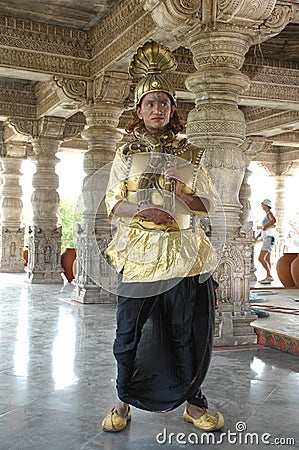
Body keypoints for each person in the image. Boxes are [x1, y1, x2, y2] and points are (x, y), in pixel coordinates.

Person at [102, 41, 224, 433]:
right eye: (150, 103)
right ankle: (122, 402)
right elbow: (112, 203)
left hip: (185, 254)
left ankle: (192, 403)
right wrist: (140, 211)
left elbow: (209, 206)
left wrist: (185, 194)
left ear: (173, 110)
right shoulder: (124, 154)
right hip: (139, 255)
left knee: (185, 330)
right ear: (139, 111)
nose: (158, 109)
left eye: (164, 103)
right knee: (128, 332)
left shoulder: (190, 155)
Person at [255, 199, 276, 284]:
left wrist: (265, 226)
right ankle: (268, 276)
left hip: (268, 238)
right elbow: (264, 229)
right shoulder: (267, 215)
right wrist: (257, 237)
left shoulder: (269, 214)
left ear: (266, 205)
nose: (261, 206)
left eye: (262, 204)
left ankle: (269, 276)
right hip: (268, 238)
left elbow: (273, 221)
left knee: (261, 258)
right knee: (267, 259)